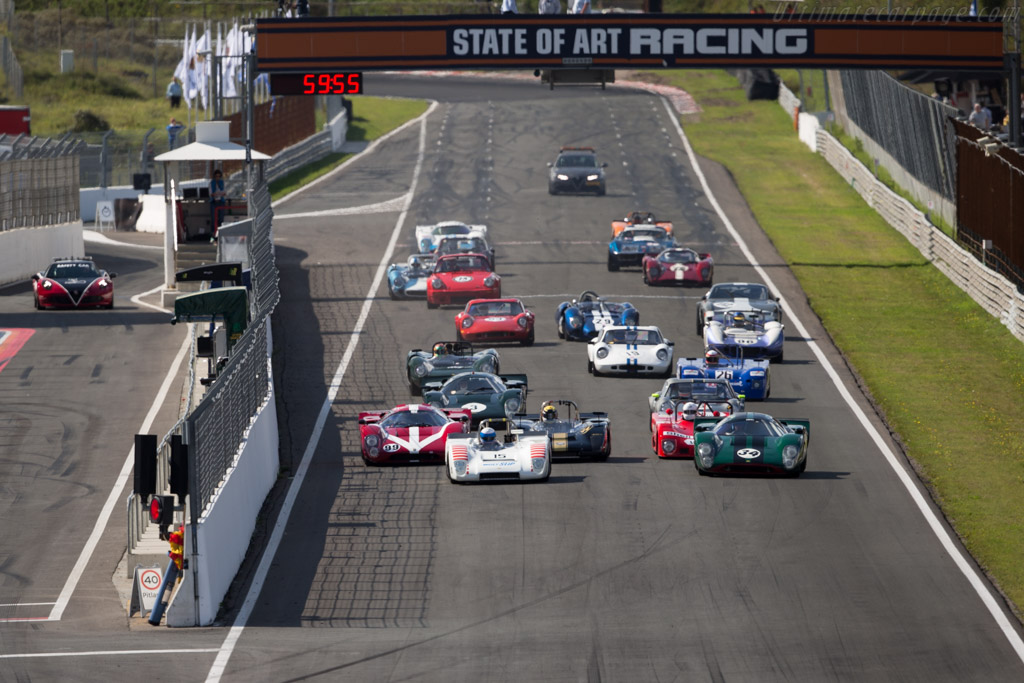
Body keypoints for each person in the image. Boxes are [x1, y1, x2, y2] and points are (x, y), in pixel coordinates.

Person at [209, 169, 227, 240]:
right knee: (213, 219)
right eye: (216, 176)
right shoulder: (211, 183)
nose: (217, 178)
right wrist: (215, 194)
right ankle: (213, 234)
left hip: (221, 201)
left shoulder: (222, 183)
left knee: (221, 218)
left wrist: (220, 193)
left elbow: (224, 192)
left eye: (219, 176)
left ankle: (220, 234)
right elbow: (211, 193)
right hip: (214, 202)